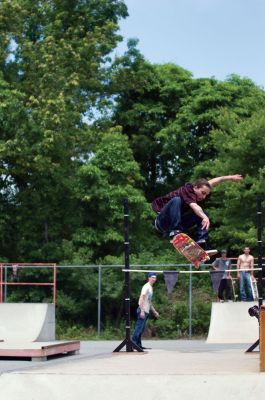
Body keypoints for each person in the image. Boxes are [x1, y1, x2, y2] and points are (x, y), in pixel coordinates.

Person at [152, 174, 243, 253]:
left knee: (203, 215)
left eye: (206, 194)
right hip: (162, 221)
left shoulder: (200, 187)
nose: (203, 197)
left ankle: (201, 242)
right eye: (203, 193)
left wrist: (230, 177)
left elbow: (215, 181)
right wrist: (204, 217)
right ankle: (175, 233)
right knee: (177, 200)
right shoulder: (187, 190)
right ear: (195, 187)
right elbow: (195, 207)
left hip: (178, 221)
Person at [132, 272, 159, 350]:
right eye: (152, 277)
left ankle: (138, 345)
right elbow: (141, 298)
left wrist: (154, 311)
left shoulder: (151, 288)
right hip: (142, 310)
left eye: (155, 277)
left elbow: (149, 301)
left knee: (141, 329)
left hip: (146, 311)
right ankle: (133, 344)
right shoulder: (146, 286)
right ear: (149, 278)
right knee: (138, 328)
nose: (154, 279)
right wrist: (142, 311)